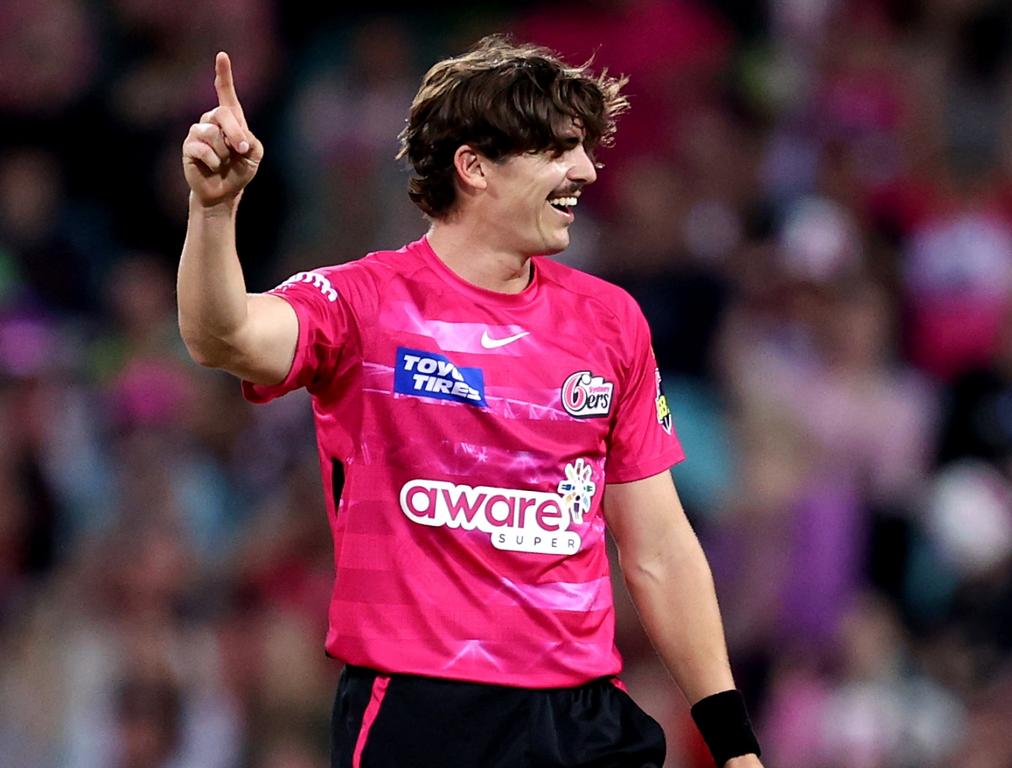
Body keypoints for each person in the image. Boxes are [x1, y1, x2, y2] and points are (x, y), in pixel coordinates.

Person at [178, 34, 764, 768]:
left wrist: (734, 748)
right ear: (474, 166)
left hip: (582, 719)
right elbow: (223, 337)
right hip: (423, 716)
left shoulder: (611, 321)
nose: (585, 170)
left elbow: (660, 551)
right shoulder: (362, 304)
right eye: (557, 150)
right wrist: (214, 210)